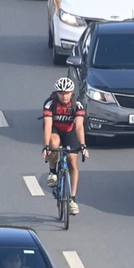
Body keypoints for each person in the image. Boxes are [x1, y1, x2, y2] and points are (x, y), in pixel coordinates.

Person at [42, 77, 89, 216]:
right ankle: (53, 172)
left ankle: (72, 200)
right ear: (56, 93)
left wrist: (83, 145)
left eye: (67, 93)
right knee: (54, 143)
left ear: (72, 92)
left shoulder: (77, 104)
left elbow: (79, 126)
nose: (64, 95)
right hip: (55, 130)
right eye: (61, 93)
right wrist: (46, 146)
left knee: (73, 160)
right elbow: (48, 126)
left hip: (70, 131)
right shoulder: (50, 104)